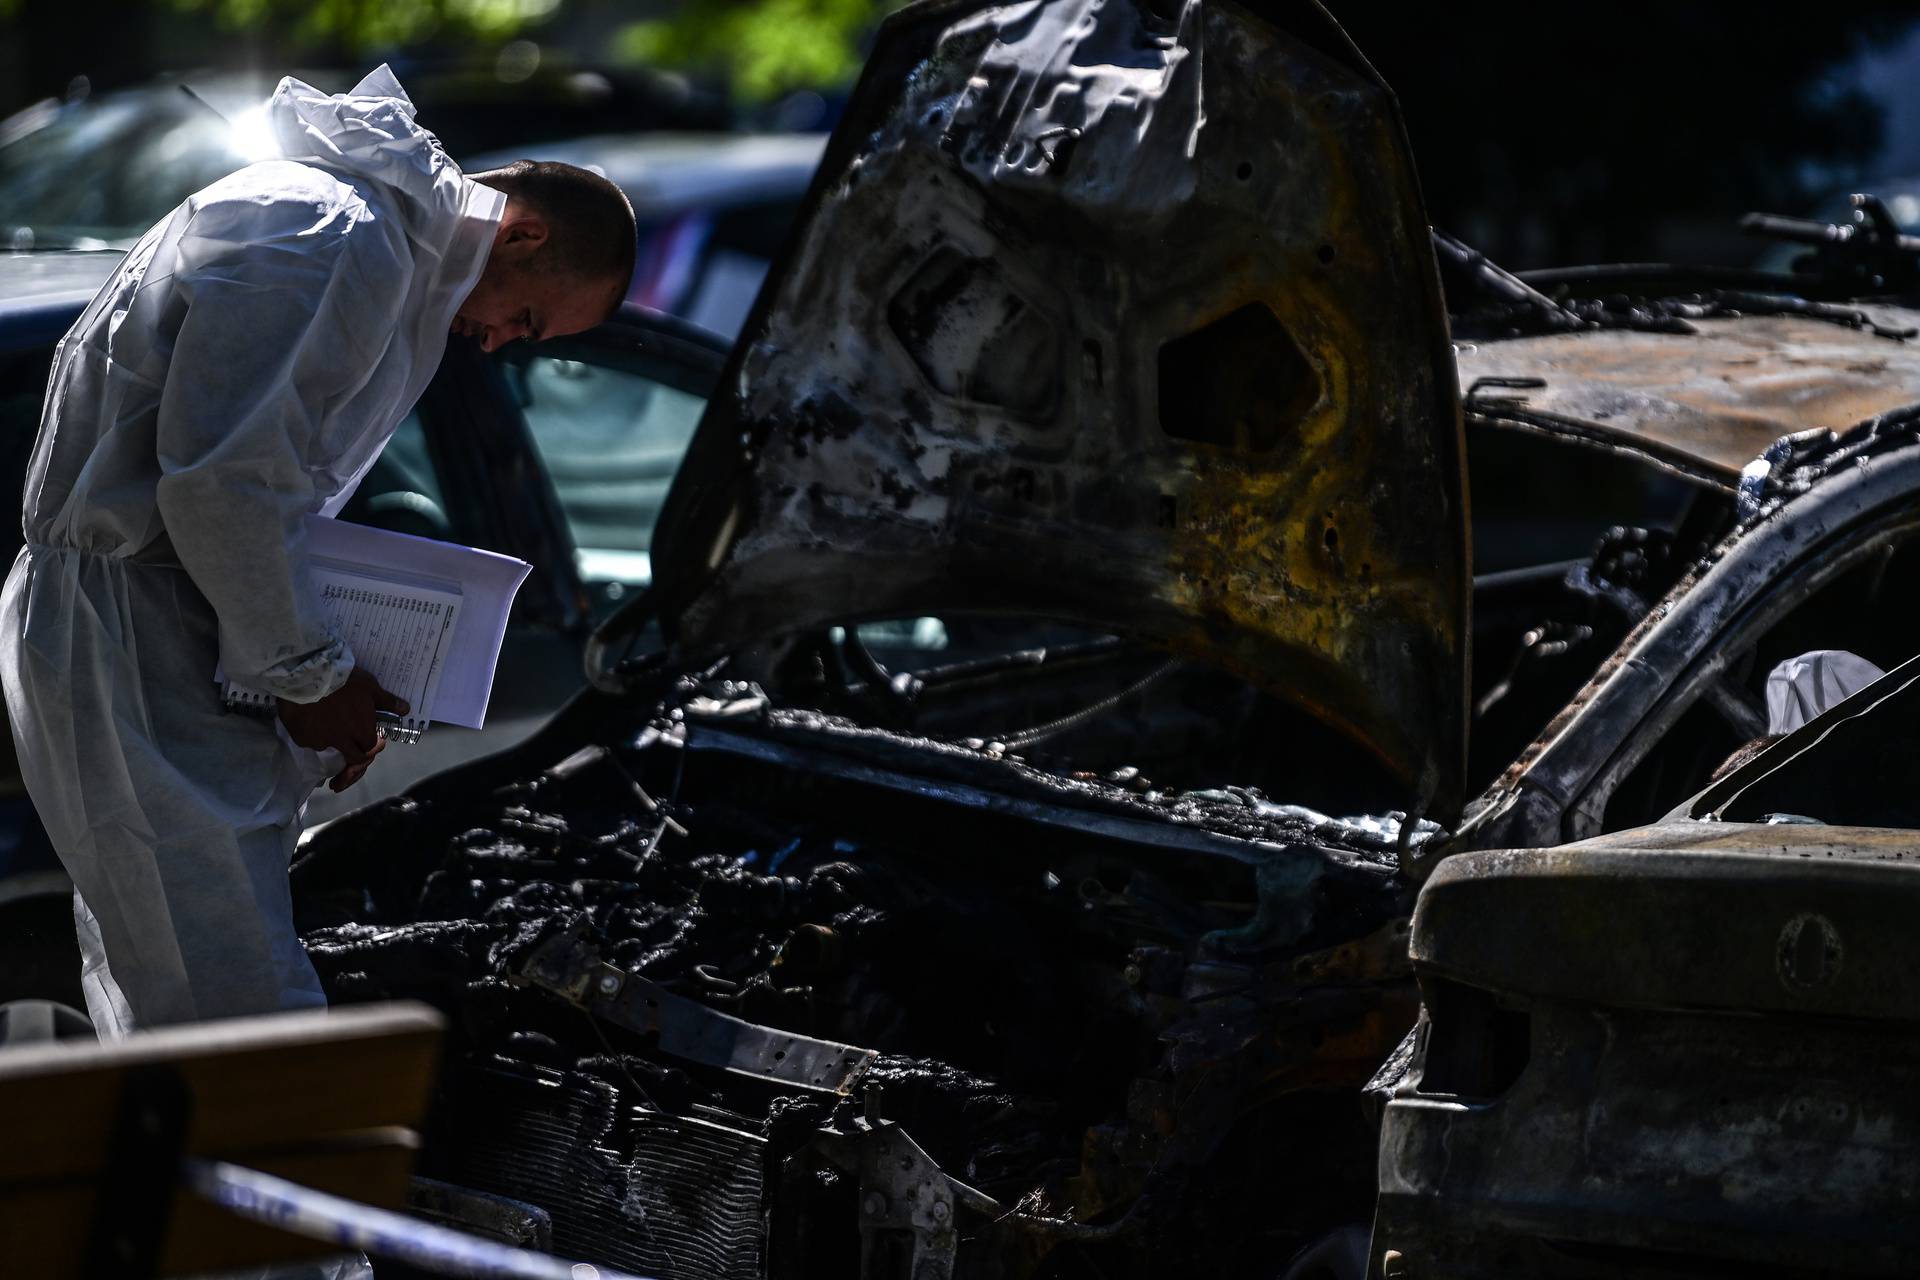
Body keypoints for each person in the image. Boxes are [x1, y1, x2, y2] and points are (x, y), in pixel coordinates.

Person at [0, 67, 636, 1041]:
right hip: (126, 621)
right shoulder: (338, 238)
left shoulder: (360, 237)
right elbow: (227, 483)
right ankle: (273, 1185)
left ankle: (196, 1183)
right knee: (240, 1009)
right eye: (531, 319)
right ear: (524, 234)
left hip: (135, 615)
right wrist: (311, 674)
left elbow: (245, 481)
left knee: (181, 994)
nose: (504, 343)